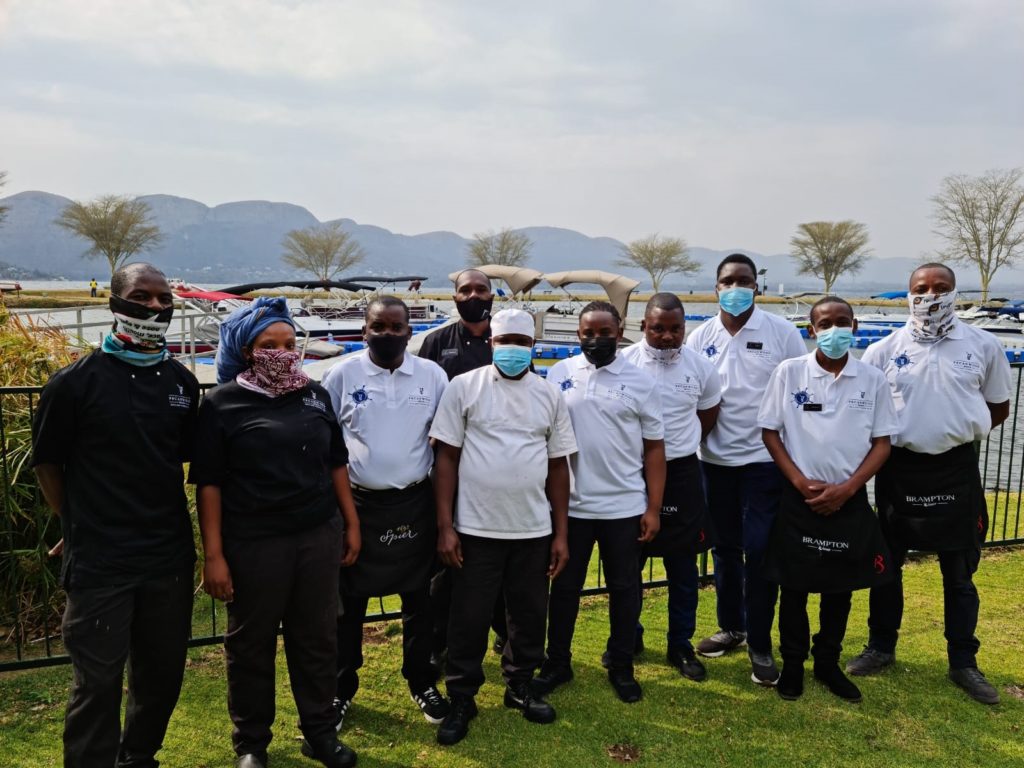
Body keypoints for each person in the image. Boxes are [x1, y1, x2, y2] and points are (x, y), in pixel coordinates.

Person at [32, 262, 198, 768]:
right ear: (114, 302)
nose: (155, 307)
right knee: (98, 683)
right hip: (100, 561)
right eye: (141, 296)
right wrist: (73, 520)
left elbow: (180, 458)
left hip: (167, 557)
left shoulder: (182, 383)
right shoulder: (73, 383)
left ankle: (137, 758)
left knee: (161, 675)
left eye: (163, 298)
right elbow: (48, 465)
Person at [190, 297, 360, 768]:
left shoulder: (315, 394)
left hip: (316, 536)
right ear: (248, 350)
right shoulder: (223, 403)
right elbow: (209, 484)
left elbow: (337, 464)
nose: (282, 353)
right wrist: (214, 555)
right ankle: (251, 744)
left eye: (289, 343)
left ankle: (320, 733)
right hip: (254, 543)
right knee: (251, 644)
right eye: (270, 344)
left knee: (317, 638)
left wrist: (351, 523)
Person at [846, 263, 1012, 705]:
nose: (930, 296)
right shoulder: (883, 350)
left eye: (941, 288)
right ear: (908, 294)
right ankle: (881, 647)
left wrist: (954, 429)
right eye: (921, 289)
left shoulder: (984, 345)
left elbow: (997, 407)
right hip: (899, 468)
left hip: (956, 469)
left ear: (954, 293)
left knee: (959, 575)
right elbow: (866, 412)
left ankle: (963, 662)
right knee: (887, 567)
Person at [429, 308, 576, 745]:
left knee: (529, 614)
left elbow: (558, 466)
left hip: (532, 528)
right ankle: (462, 696)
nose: (513, 349)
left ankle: (519, 685)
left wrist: (561, 533)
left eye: (522, 342)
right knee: (469, 616)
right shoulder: (463, 387)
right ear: (492, 343)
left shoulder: (549, 395)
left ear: (534, 346)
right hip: (475, 528)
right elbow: (446, 457)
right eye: (505, 340)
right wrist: (445, 526)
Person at [757, 297, 898, 702]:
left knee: (840, 586)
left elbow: (883, 443)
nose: (834, 330)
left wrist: (848, 489)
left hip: (848, 498)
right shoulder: (789, 372)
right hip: (799, 498)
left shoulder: (872, 379)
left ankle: (828, 663)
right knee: (794, 586)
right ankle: (793, 664)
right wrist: (800, 482)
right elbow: (770, 432)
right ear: (811, 330)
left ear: (854, 327)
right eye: (824, 323)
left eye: (842, 322)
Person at [321, 297, 450, 730]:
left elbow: (444, 443)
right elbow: (329, 446)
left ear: (410, 332)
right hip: (358, 505)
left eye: (397, 327)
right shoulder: (341, 374)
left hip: (415, 502)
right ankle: (340, 688)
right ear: (364, 331)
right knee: (349, 605)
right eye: (379, 326)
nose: (388, 334)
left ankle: (421, 680)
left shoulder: (432, 375)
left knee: (420, 601)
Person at [537, 301, 666, 703]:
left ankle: (622, 665)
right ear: (578, 335)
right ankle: (558, 662)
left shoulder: (641, 380)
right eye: (588, 333)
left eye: (605, 333)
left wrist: (653, 508)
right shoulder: (560, 373)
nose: (596, 340)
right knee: (564, 590)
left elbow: (655, 448)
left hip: (623, 507)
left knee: (625, 590)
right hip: (572, 508)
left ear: (620, 332)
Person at [685, 253, 804, 685]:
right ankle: (731, 626)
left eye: (744, 281)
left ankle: (760, 640)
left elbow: (799, 392)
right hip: (713, 462)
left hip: (764, 462)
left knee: (760, 551)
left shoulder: (782, 333)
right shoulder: (700, 337)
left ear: (757, 286)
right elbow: (691, 395)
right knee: (724, 550)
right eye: (727, 281)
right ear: (716, 288)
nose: (735, 288)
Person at [620, 292, 721, 682]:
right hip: (632, 473)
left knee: (683, 568)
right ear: (643, 326)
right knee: (629, 563)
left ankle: (680, 643)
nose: (667, 336)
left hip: (681, 473)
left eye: (675, 329)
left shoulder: (701, 368)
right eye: (658, 328)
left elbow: (707, 415)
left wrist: (679, 445)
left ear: (684, 328)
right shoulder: (623, 364)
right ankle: (628, 636)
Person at [418, 268, 509, 663]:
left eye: (481, 289)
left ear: (492, 295)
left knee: (498, 556)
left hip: (497, 469)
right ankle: (438, 644)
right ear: (454, 297)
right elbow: (422, 399)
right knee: (445, 561)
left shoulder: (506, 341)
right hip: (448, 468)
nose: (474, 295)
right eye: (465, 290)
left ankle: (505, 632)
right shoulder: (436, 342)